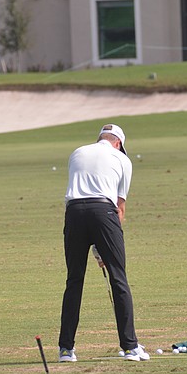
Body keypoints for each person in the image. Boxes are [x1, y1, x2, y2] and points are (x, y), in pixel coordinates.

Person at [59, 124, 149, 362]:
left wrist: (97, 246)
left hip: (74, 212)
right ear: (118, 143)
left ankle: (66, 349)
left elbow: (80, 192)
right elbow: (119, 208)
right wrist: (104, 251)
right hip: (104, 212)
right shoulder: (121, 159)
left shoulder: (77, 152)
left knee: (74, 280)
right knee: (118, 277)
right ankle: (130, 347)